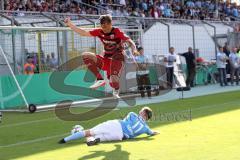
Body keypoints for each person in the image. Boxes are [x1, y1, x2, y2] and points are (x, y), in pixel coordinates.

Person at [64, 15, 139, 99]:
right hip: (106, 60)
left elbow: (130, 41)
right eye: (102, 25)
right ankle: (100, 80)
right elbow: (83, 33)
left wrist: (134, 50)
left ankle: (116, 89)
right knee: (86, 56)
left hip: (117, 61)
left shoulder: (117, 32)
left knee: (113, 81)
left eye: (106, 26)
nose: (104, 28)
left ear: (111, 24)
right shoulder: (100, 32)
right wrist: (70, 24)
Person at [58, 106, 159, 146]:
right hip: (119, 137)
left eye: (141, 110)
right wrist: (157, 132)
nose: (140, 111)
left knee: (89, 132)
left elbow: (125, 120)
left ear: (144, 114)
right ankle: (93, 141)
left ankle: (65, 140)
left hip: (116, 125)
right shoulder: (146, 128)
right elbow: (151, 133)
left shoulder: (133, 114)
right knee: (94, 138)